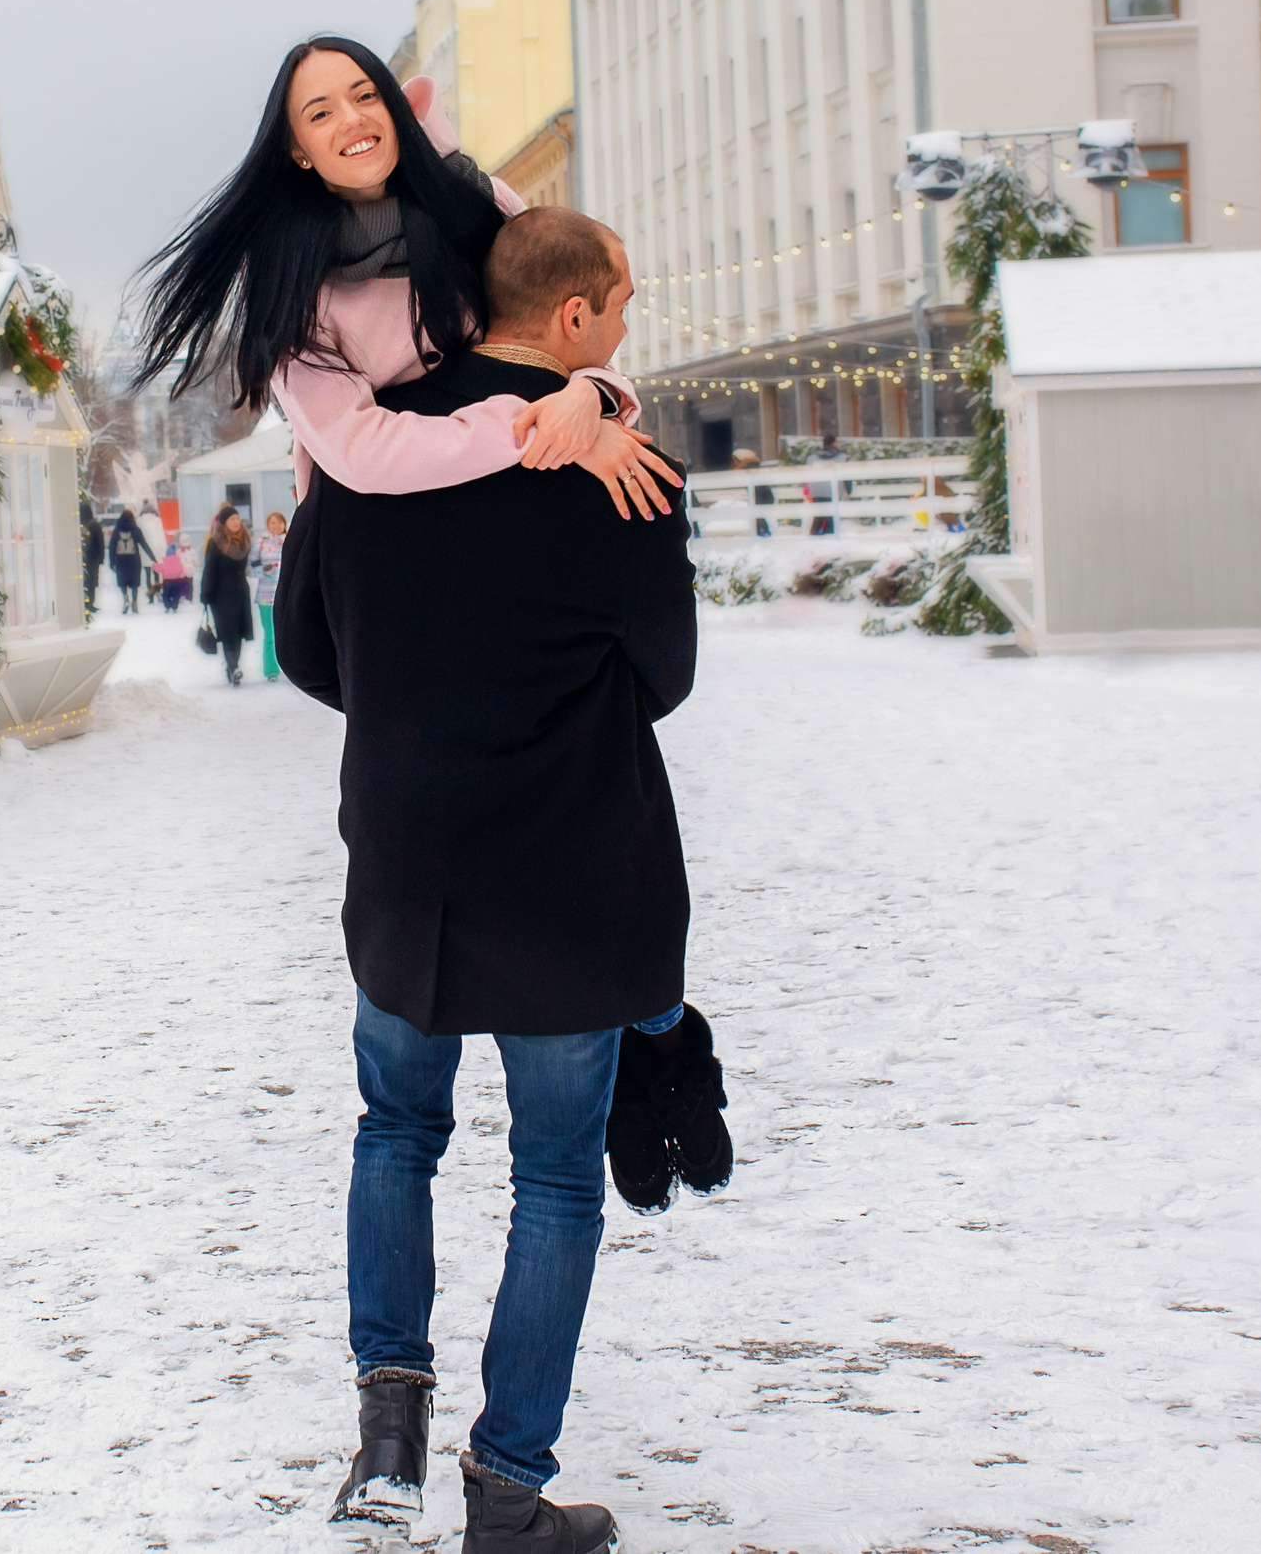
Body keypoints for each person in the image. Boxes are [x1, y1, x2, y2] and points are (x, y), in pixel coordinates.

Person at [276, 206, 730, 1554]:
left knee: (396, 1130)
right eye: (624, 302)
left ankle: (389, 1429)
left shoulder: (371, 445)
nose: (629, 324)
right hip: (570, 873)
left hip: (408, 862)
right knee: (556, 1180)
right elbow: (664, 676)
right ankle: (509, 1487)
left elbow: (307, 649)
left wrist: (415, 701)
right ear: (575, 314)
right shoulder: (624, 473)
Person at [132, 37, 682, 522]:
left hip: (517, 501)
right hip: (378, 533)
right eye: (321, 114)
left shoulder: (478, 201)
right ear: (298, 151)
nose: (352, 119)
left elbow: (573, 324)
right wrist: (534, 428)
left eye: (366, 95)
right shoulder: (287, 279)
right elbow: (360, 451)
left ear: (395, 108)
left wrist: (590, 395)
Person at [197, 502, 254, 686]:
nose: (236, 522)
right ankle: (233, 667)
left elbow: (252, 565)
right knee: (228, 632)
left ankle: (233, 666)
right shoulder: (216, 542)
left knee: (238, 632)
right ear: (224, 523)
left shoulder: (245, 540)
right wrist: (205, 593)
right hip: (220, 595)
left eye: (238, 518)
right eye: (232, 519)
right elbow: (209, 569)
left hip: (240, 592)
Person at [249, 508, 289, 681]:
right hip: (266, 596)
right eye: (273, 522)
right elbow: (251, 568)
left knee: (289, 634)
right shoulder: (260, 543)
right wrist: (263, 570)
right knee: (270, 635)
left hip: (287, 595)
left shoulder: (290, 540)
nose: (277, 525)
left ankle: (293, 670)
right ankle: (271, 670)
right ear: (268, 525)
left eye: (280, 522)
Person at [107, 507, 153, 613]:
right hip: (134, 560)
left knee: (122, 582)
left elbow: (112, 547)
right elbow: (144, 544)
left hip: (121, 560)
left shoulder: (117, 530)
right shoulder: (135, 530)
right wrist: (152, 557)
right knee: (134, 583)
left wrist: (111, 562)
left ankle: (125, 599)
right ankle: (135, 602)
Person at [81, 501, 105, 621]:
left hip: (85, 557)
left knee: (86, 581)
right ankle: (91, 602)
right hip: (94, 557)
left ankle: (88, 603)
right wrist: (101, 557)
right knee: (93, 581)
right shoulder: (95, 525)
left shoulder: (81, 525)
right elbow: (100, 542)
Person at [155, 534, 191, 611]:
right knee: (176, 594)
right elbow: (183, 570)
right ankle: (174, 606)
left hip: (167, 581)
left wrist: (154, 566)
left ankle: (167, 606)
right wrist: (183, 575)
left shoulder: (165, 561)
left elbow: (159, 568)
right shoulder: (179, 561)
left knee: (166, 594)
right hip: (177, 581)